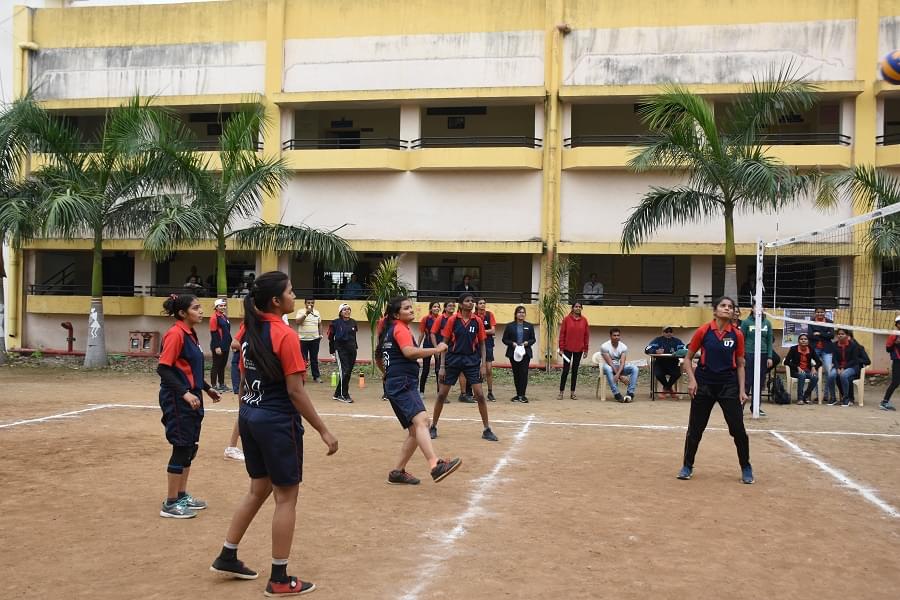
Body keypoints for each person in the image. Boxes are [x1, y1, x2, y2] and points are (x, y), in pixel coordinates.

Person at [210, 271, 338, 596]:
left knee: (258, 489)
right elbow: (295, 391)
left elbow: (243, 382)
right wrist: (323, 430)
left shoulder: (250, 332)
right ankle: (279, 578)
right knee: (286, 497)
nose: (294, 296)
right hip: (277, 422)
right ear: (277, 301)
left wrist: (245, 418)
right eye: (291, 292)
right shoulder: (285, 335)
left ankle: (227, 554)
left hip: (251, 416)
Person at [378, 296, 462, 485]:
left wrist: (387, 374)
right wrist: (437, 349)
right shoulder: (399, 328)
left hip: (396, 383)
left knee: (415, 430)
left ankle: (397, 472)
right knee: (423, 421)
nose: (411, 310)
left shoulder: (389, 331)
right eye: (406, 308)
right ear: (396, 314)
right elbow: (409, 352)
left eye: (411, 307)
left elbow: (378, 357)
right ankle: (435, 465)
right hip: (403, 383)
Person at [156, 293, 221, 518]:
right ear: (182, 313)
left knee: (190, 448)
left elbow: (189, 369)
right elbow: (164, 368)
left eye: (200, 307)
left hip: (192, 396)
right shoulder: (175, 334)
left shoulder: (190, 333)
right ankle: (170, 503)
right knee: (181, 447)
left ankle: (181, 495)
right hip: (177, 398)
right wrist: (184, 393)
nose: (201, 311)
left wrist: (206, 388)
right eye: (195, 308)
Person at [678, 295, 754, 485]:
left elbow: (740, 364)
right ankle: (687, 466)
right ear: (715, 310)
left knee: (738, 429)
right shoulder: (704, 331)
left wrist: (742, 390)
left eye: (730, 306)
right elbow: (688, 359)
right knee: (695, 429)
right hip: (704, 384)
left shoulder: (737, 334)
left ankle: (746, 467)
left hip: (728, 385)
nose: (727, 308)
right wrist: (692, 380)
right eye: (723, 305)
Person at [429, 292, 499, 442]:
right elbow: (444, 343)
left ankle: (487, 429)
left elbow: (482, 344)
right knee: (441, 395)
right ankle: (433, 426)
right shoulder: (453, 320)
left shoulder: (477, 321)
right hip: (453, 360)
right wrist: (442, 366)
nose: (471, 303)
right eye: (467, 301)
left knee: (480, 395)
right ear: (460, 304)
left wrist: (482, 365)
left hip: (471, 361)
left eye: (472, 301)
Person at [741, 303, 774, 417]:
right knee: (747, 381)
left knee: (759, 381)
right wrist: (742, 356)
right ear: (752, 309)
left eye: (761, 307)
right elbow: (741, 340)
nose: (759, 309)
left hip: (763, 354)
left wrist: (769, 357)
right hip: (749, 354)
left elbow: (769, 341)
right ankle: (740, 406)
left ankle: (756, 407)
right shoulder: (746, 322)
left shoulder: (767, 323)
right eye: (756, 307)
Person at [501, 305, 536, 402]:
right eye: (519, 312)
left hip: (525, 353)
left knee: (523, 373)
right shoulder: (510, 326)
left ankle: (522, 395)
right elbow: (504, 339)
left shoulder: (529, 326)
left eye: (523, 312)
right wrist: (512, 343)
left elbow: (533, 339)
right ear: (516, 314)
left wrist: (527, 343)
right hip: (513, 353)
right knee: (516, 373)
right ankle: (518, 395)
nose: (521, 314)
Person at [558, 301, 589, 400]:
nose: (578, 308)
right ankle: (561, 392)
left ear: (581, 308)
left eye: (579, 307)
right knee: (565, 370)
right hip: (567, 349)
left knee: (575, 371)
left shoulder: (584, 320)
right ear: (572, 308)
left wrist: (586, 349)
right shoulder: (566, 319)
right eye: (576, 306)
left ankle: (572, 393)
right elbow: (562, 334)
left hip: (579, 350)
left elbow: (586, 336)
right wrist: (561, 348)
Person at [327, 303, 358, 403]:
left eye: (348, 309)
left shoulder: (353, 322)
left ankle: (337, 394)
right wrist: (332, 351)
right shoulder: (335, 323)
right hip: (340, 350)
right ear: (340, 312)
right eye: (344, 309)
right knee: (344, 371)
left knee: (347, 372)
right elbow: (330, 337)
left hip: (352, 350)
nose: (347, 311)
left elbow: (354, 337)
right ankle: (343, 395)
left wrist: (355, 347)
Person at [644, 326, 686, 398]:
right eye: (666, 332)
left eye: (670, 332)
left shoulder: (677, 341)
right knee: (658, 374)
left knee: (677, 374)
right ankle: (670, 389)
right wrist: (655, 351)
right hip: (660, 363)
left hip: (673, 363)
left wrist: (679, 352)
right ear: (663, 333)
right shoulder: (657, 340)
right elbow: (647, 349)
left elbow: (684, 349)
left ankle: (666, 389)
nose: (669, 333)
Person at [600, 328, 638, 403]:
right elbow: (610, 363)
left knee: (635, 368)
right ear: (610, 336)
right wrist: (620, 376)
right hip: (608, 366)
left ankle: (630, 393)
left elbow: (622, 362)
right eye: (614, 335)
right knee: (608, 368)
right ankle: (616, 394)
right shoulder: (604, 346)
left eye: (618, 335)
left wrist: (618, 374)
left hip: (619, 367)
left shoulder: (623, 347)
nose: (616, 337)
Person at [827, 328, 863, 406]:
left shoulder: (853, 345)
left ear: (847, 335)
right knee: (831, 376)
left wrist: (844, 368)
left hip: (852, 366)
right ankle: (833, 398)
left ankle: (846, 398)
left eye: (842, 334)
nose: (840, 335)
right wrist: (837, 368)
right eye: (839, 334)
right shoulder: (834, 345)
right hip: (839, 366)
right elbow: (834, 359)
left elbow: (854, 360)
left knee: (843, 375)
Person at [783, 333, 823, 404]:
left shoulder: (811, 349)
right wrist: (797, 367)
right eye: (801, 339)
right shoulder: (793, 349)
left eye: (805, 339)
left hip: (807, 371)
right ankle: (800, 398)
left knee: (815, 377)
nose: (803, 340)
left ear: (808, 341)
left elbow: (819, 362)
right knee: (802, 375)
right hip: (795, 371)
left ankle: (805, 396)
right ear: (798, 341)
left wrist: (814, 367)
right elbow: (786, 362)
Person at [225, 330, 245, 461]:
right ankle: (232, 447)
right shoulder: (250, 324)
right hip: (243, 370)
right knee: (244, 410)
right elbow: (234, 344)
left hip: (255, 372)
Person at [808, 307, 835, 402]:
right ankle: (817, 395)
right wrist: (825, 334)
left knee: (829, 371)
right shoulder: (811, 322)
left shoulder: (830, 322)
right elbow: (810, 335)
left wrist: (819, 333)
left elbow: (831, 335)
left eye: (821, 312)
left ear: (825, 313)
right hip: (815, 349)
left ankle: (826, 395)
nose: (820, 314)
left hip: (827, 349)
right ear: (815, 313)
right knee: (814, 371)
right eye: (818, 312)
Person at [295, 298, 323, 383]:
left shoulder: (317, 312)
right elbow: (298, 322)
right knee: (303, 360)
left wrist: (320, 335)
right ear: (305, 303)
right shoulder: (300, 311)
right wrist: (306, 313)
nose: (310, 304)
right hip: (303, 339)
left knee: (314, 359)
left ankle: (316, 376)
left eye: (312, 303)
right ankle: (302, 377)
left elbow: (320, 324)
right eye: (308, 303)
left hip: (315, 339)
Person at [475, 298, 497, 402]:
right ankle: (476, 393)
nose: (482, 305)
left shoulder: (489, 314)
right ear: (476, 305)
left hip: (488, 344)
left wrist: (480, 331)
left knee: (488, 369)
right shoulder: (473, 316)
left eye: (484, 303)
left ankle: (490, 392)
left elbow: (493, 330)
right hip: (475, 344)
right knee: (475, 369)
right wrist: (485, 331)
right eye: (480, 303)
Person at [418, 301, 442, 394]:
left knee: (438, 370)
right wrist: (417, 346)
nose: (436, 308)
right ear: (430, 309)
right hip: (427, 345)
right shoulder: (425, 319)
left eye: (438, 307)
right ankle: (421, 391)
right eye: (434, 307)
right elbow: (421, 333)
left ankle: (439, 392)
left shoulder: (441, 318)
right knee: (425, 369)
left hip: (438, 346)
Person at [209, 298, 232, 393]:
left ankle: (222, 384)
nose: (223, 307)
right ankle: (213, 386)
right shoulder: (214, 318)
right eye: (220, 306)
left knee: (222, 365)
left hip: (226, 345)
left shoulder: (224, 316)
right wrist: (217, 347)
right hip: (218, 345)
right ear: (216, 307)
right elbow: (214, 333)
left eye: (224, 305)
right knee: (216, 365)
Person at [881, 315, 900, 411]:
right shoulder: (894, 335)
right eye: (899, 323)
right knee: (895, 382)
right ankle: (884, 402)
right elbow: (888, 349)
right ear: (897, 325)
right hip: (897, 361)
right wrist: (895, 343)